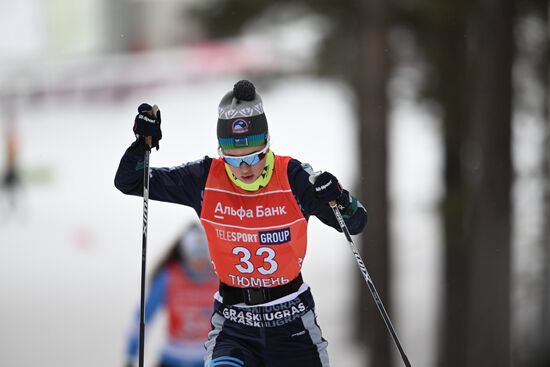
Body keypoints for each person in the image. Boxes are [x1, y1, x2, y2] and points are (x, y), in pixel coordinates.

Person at [115, 80, 368, 367]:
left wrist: (339, 198)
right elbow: (130, 181)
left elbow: (356, 222)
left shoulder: (294, 177)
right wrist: (141, 145)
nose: (244, 168)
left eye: (254, 157)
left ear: (268, 143)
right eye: (232, 159)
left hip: (292, 326)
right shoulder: (205, 178)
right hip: (235, 326)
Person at [125, 223, 219, 367]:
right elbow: (143, 317)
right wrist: (131, 356)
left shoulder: (218, 278)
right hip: (172, 358)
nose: (199, 262)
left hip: (207, 358)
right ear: (185, 254)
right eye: (194, 254)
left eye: (203, 254)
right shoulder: (169, 277)